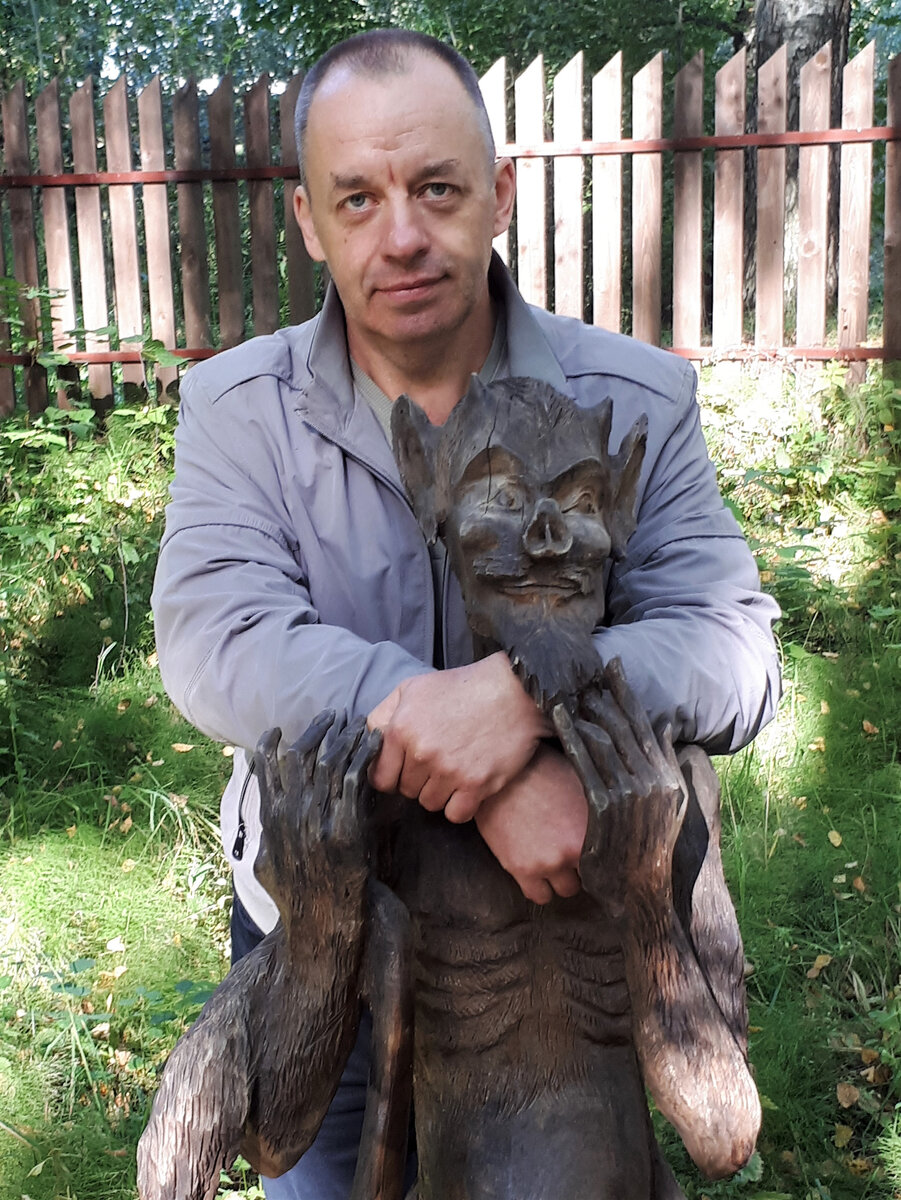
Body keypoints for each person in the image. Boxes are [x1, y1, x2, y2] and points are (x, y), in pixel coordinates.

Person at [151, 28, 781, 1200]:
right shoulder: (239, 412)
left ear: (498, 192)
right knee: (319, 1173)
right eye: (358, 198)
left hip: (572, 930)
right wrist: (460, 749)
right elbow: (216, 641)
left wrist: (527, 696)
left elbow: (734, 648)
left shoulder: (632, 397)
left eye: (437, 188)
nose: (400, 235)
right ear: (308, 221)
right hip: (329, 905)